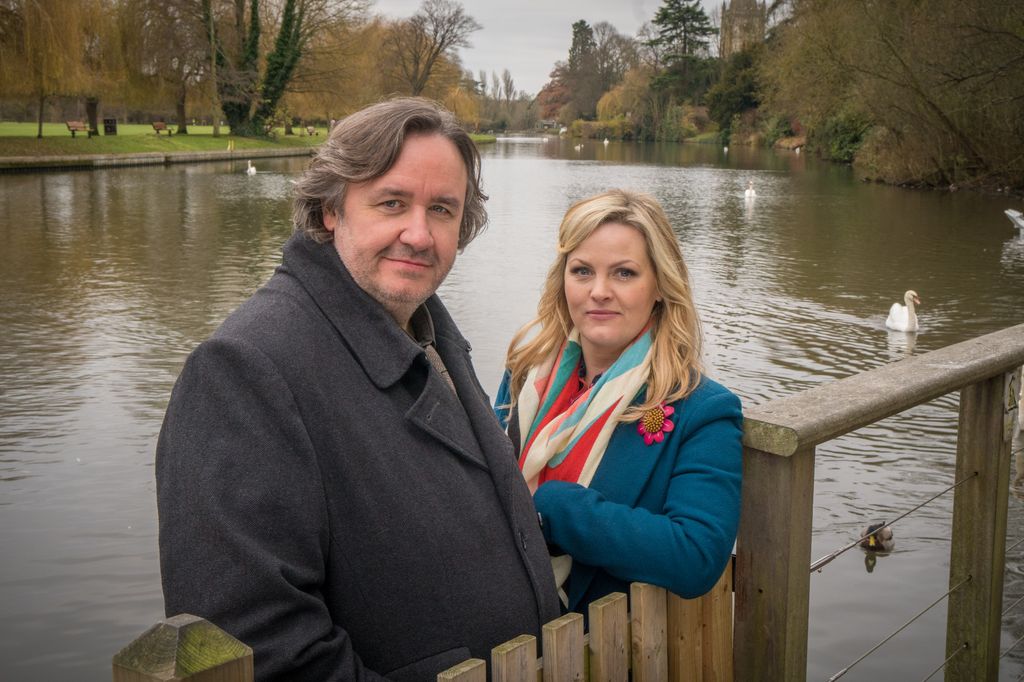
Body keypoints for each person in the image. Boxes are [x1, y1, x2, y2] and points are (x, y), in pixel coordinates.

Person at [156, 98, 560, 681]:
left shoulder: (426, 328)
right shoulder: (243, 370)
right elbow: (262, 651)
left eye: (442, 209)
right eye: (392, 203)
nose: (418, 234)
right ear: (330, 210)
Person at [494, 189, 742, 614]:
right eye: (583, 271)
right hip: (494, 624)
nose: (599, 291)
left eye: (624, 273)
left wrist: (555, 508)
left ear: (661, 286)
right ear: (563, 280)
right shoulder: (523, 375)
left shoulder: (702, 411)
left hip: (602, 651)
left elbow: (697, 556)